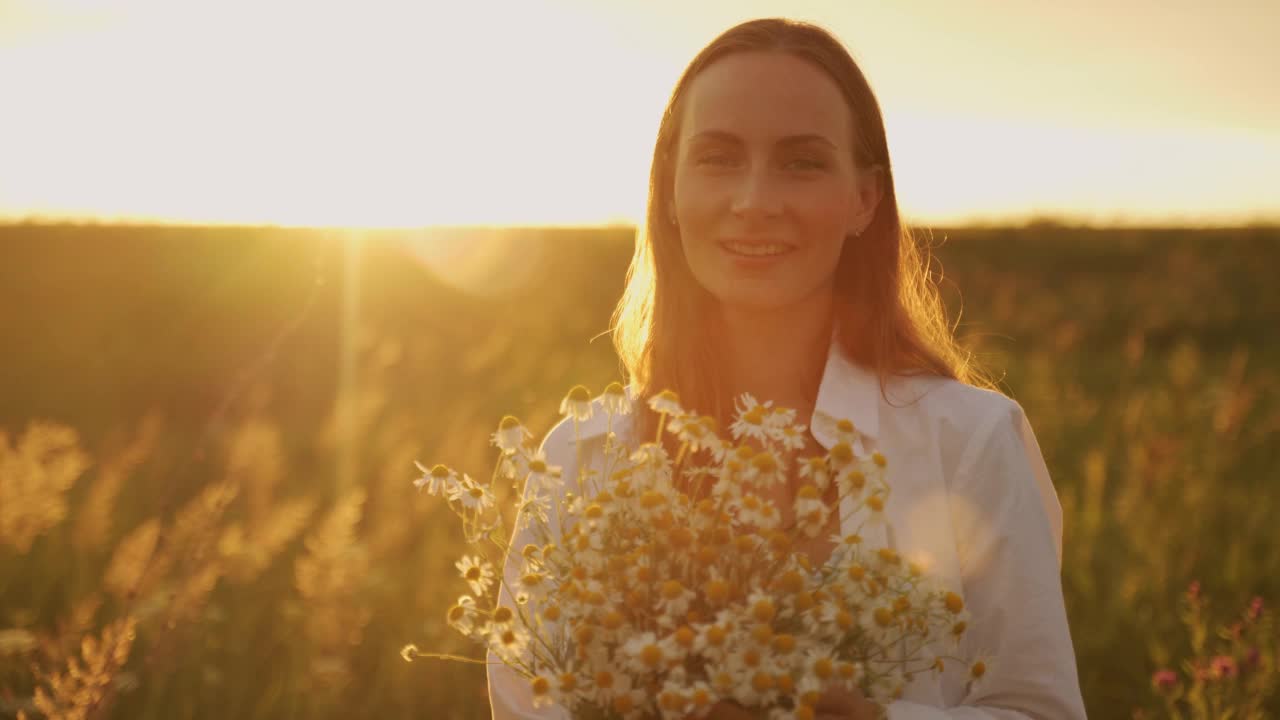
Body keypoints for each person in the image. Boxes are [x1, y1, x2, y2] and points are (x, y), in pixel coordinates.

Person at [488, 17, 1087, 720]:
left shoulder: (971, 443)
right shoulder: (579, 462)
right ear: (670, 193)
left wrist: (869, 718)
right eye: (717, 158)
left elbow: (1039, 710)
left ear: (864, 199)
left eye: (801, 162)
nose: (755, 202)